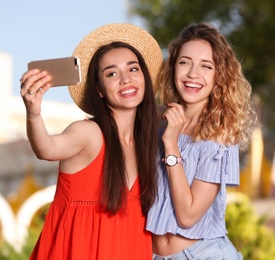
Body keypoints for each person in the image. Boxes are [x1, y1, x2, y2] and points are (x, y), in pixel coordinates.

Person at [20, 23, 163, 259]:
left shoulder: (149, 142)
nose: (126, 79)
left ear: (145, 77)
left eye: (133, 69)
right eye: (112, 73)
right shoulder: (89, 133)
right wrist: (33, 112)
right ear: (98, 89)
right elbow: (47, 148)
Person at [146, 22, 257, 259]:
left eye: (206, 66)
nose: (192, 74)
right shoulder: (158, 121)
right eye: (185, 62)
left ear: (219, 76)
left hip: (203, 254)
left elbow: (188, 216)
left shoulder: (219, 135)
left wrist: (171, 145)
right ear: (173, 67)